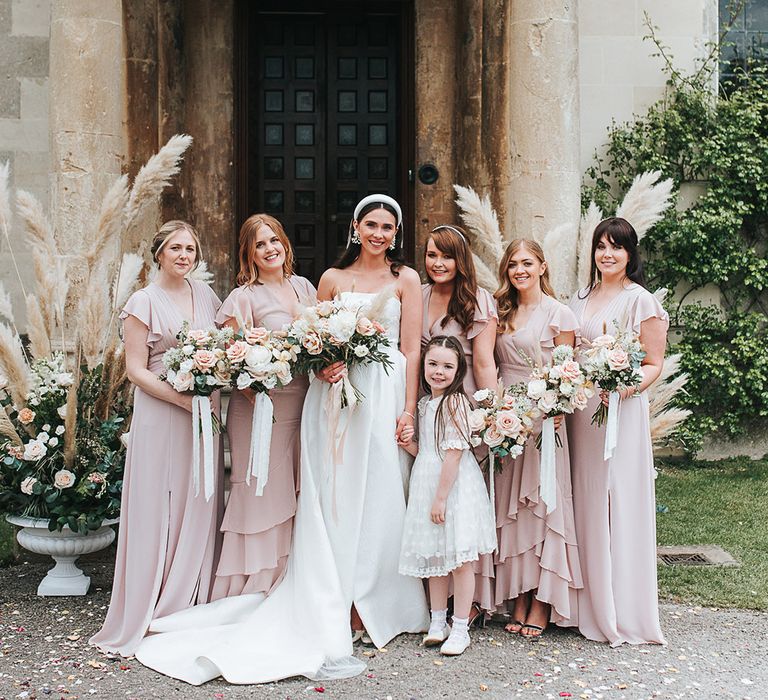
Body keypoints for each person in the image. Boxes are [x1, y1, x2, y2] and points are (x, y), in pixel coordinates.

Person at [133, 195, 427, 685]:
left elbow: (384, 345)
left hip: (354, 395)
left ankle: (373, 593)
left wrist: (404, 405)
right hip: (296, 404)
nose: (380, 233)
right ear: (356, 227)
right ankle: (264, 587)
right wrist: (281, 372)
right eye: (371, 224)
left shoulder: (315, 286)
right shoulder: (311, 285)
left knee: (359, 490)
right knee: (296, 493)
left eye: (388, 226)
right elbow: (254, 353)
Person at [90, 221, 224, 657]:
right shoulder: (142, 302)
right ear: (159, 254)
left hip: (202, 410)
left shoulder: (206, 295)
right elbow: (136, 369)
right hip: (162, 411)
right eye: (175, 248)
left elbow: (222, 347)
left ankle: (191, 598)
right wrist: (183, 401)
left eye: (190, 248)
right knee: (157, 502)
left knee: (198, 496)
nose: (184, 255)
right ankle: (150, 605)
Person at [566, 217, 667, 646]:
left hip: (620, 411)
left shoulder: (641, 301)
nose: (607, 255)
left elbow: (653, 364)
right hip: (579, 411)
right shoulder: (579, 297)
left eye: (617, 248)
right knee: (586, 498)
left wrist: (624, 389)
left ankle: (621, 608)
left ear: (630, 254)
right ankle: (584, 602)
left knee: (617, 498)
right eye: (601, 246)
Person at [211, 214, 316, 600]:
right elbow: (228, 360)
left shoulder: (305, 287)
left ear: (285, 243)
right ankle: (252, 585)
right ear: (248, 254)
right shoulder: (243, 298)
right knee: (259, 489)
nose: (269, 248)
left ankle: (288, 579)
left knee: (294, 487)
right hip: (259, 409)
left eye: (274, 240)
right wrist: (257, 391)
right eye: (259, 244)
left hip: (304, 403)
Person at [492, 239, 582, 638]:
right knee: (513, 505)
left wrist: (555, 410)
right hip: (508, 418)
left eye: (527, 263)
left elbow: (566, 373)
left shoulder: (559, 314)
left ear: (543, 267)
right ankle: (519, 597)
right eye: (513, 264)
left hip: (545, 420)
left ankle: (543, 601)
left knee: (544, 504)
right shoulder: (501, 312)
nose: (520, 270)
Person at [398, 336, 496, 656]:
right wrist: (407, 444)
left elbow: (452, 454)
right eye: (433, 364)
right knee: (436, 559)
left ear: (459, 370)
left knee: (459, 560)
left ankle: (460, 627)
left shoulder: (455, 403)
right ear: (424, 366)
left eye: (447, 366)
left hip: (451, 488)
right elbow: (426, 451)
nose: (438, 371)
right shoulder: (425, 405)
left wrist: (441, 498)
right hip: (428, 481)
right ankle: (436, 621)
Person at [420, 224, 498, 616]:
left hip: (462, 408)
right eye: (432, 255)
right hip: (426, 404)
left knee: (460, 506)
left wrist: (493, 413)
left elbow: (483, 361)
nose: (438, 263)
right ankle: (433, 605)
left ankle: (466, 604)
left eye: (446, 256)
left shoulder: (477, 301)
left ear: (460, 260)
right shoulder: (418, 297)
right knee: (426, 502)